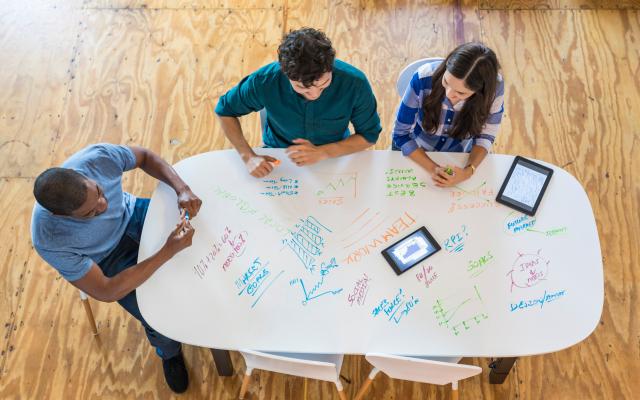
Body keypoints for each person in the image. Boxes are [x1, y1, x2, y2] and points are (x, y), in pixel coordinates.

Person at [31, 143, 202, 393]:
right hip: (108, 259)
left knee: (203, 245)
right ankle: (169, 352)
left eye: (99, 192)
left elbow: (145, 156)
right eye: (90, 213)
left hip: (135, 213)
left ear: (85, 175)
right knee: (155, 314)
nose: (103, 205)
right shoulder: (48, 238)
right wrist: (167, 251)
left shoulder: (96, 158)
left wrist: (182, 188)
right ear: (59, 215)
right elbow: (107, 291)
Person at [215, 27, 382, 178]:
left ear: (330, 67)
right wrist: (247, 156)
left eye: (323, 85)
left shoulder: (355, 83)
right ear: (285, 73)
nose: (314, 95)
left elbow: (369, 135)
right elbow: (225, 111)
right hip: (279, 155)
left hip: (335, 153)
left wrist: (323, 152)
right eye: (303, 89)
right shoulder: (264, 81)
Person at [392, 42, 504, 187]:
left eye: (461, 93)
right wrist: (434, 169)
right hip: (417, 150)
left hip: (459, 155)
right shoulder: (422, 78)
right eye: (446, 81)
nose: (448, 94)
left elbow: (486, 136)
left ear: (480, 92)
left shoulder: (494, 89)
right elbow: (401, 134)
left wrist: (468, 171)